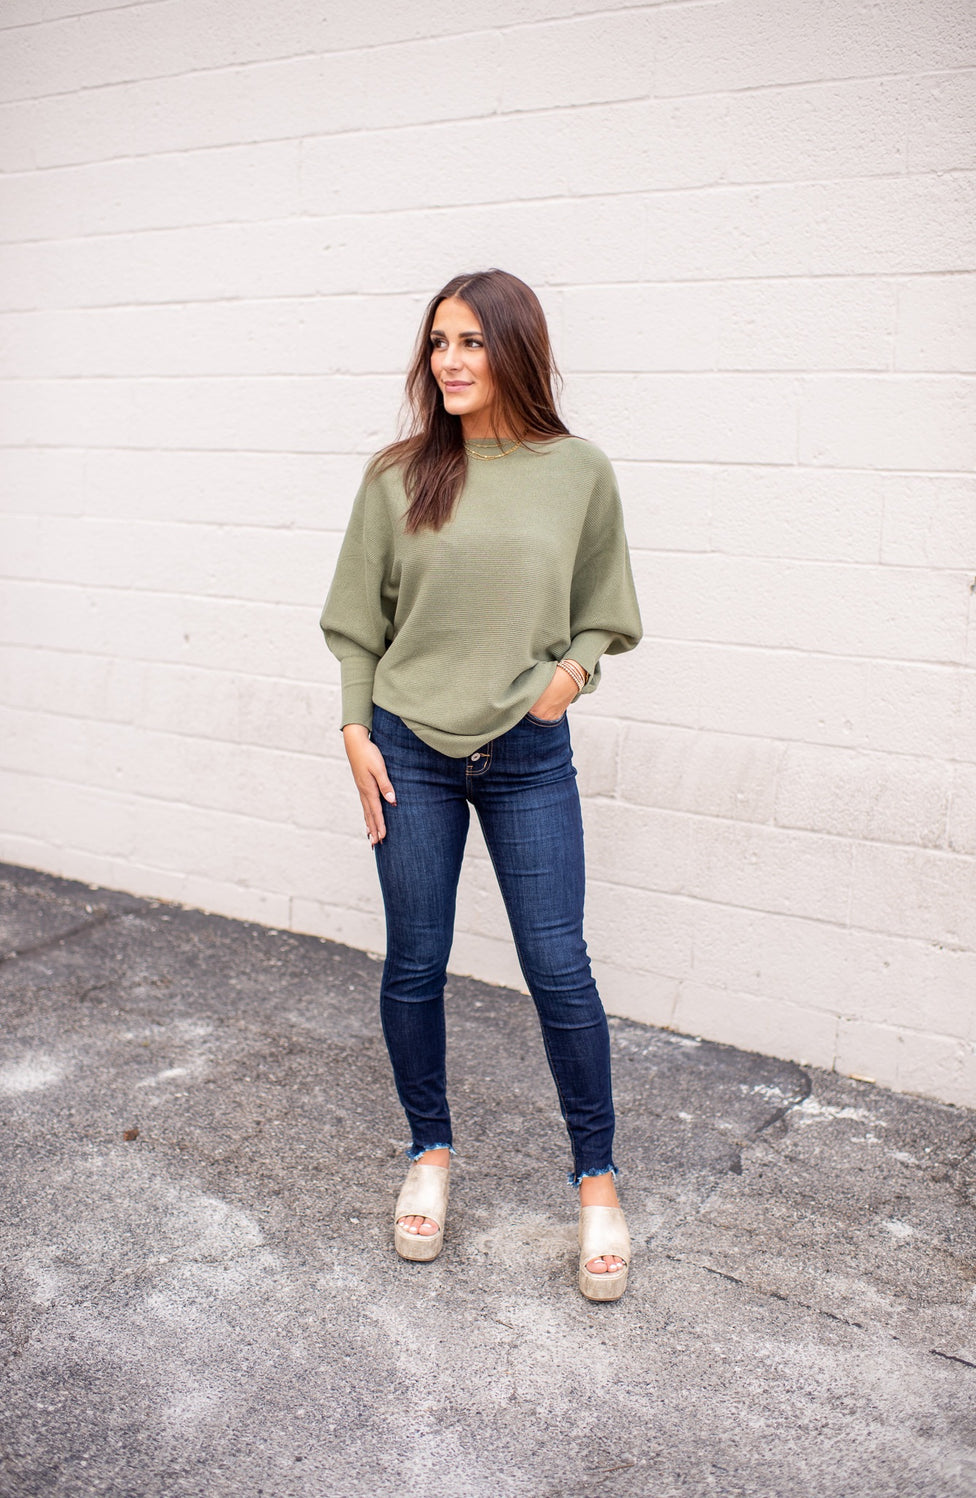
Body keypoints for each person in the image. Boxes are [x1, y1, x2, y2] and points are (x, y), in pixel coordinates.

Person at [320, 269, 642, 1301]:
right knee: (416, 960)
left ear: (515, 350)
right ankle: (429, 1152)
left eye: (470, 341)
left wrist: (568, 677)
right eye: (438, 342)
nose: (450, 361)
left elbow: (606, 606)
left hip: (527, 753)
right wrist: (355, 728)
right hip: (407, 747)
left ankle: (597, 1182)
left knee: (558, 966)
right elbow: (357, 621)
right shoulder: (399, 474)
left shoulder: (577, 470)